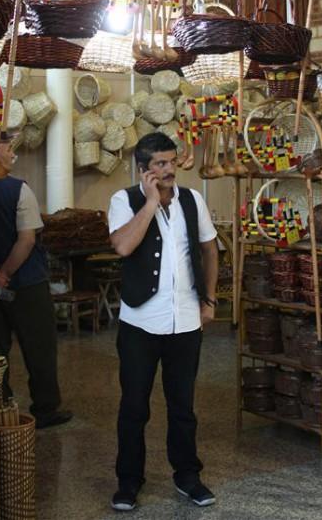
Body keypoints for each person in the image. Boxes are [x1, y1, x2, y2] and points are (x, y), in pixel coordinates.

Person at [108, 132, 219, 512]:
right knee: (134, 406)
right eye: (160, 164)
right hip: (139, 323)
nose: (169, 169)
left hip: (185, 321)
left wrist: (209, 299)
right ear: (144, 169)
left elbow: (209, 249)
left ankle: (187, 476)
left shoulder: (193, 199)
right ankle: (128, 481)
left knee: (183, 406)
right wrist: (151, 202)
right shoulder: (123, 200)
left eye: (171, 161)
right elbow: (123, 246)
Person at [0, 131, 72, 429]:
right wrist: (4, 274)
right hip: (26, 285)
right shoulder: (19, 190)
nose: (12, 155)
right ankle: (45, 408)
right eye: (8, 148)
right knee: (39, 347)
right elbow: (27, 239)